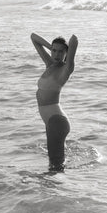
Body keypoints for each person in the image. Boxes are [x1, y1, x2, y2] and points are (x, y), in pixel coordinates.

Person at [31, 33, 78, 171]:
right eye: (54, 51)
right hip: (51, 122)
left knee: (55, 167)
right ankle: (55, 191)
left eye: (61, 51)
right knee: (54, 165)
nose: (57, 54)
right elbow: (33, 37)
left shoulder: (66, 69)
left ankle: (52, 190)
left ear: (66, 53)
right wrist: (49, 47)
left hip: (56, 122)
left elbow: (74, 40)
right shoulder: (49, 65)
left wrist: (69, 49)